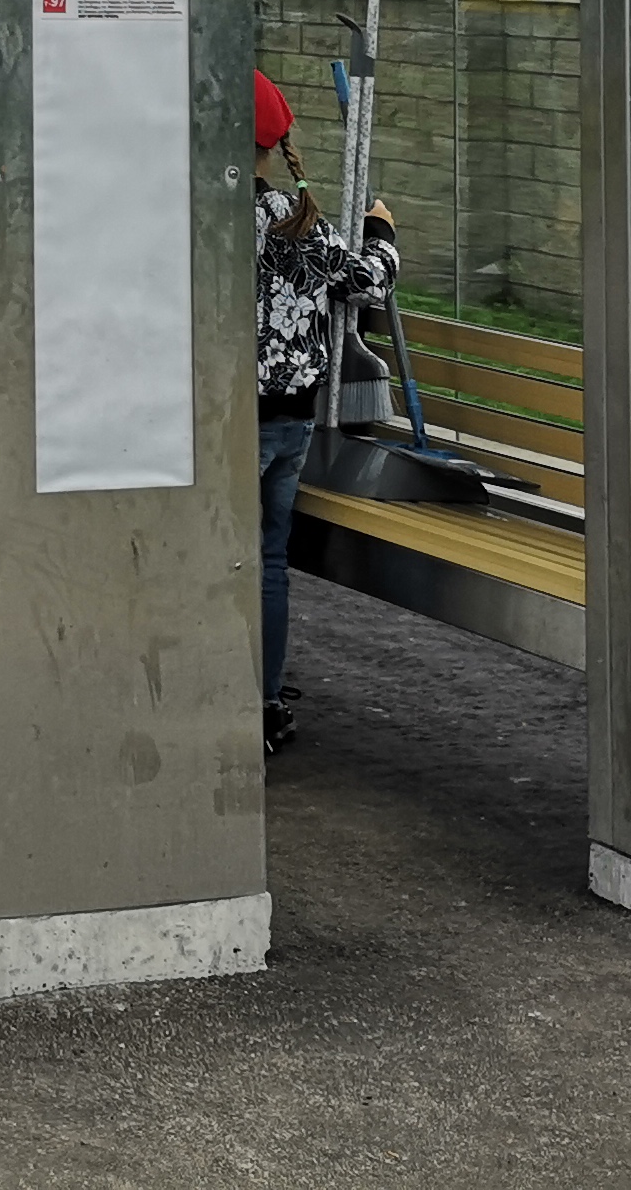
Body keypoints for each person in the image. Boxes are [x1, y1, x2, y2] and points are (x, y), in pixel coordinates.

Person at [252, 70, 395, 755]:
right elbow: (368, 282)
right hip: (288, 423)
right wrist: (380, 233)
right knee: (266, 560)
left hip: (221, 420)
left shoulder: (197, 214)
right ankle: (264, 699)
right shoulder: (295, 218)